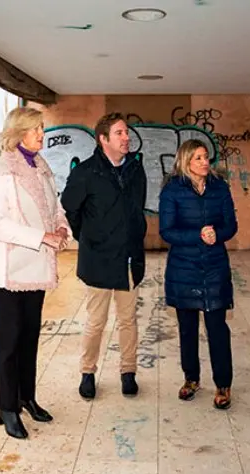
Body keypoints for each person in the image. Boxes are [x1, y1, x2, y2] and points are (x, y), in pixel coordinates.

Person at [0, 107, 70, 439]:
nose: (42, 134)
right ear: (19, 134)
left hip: (35, 266)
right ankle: (7, 409)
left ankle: (26, 397)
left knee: (30, 335)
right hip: (6, 269)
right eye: (36, 129)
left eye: (42, 128)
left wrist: (60, 227)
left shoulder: (42, 168)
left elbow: (55, 207)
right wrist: (40, 237)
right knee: (11, 339)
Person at [60, 112, 147, 400]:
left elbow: (138, 209)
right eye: (120, 133)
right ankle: (87, 372)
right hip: (97, 259)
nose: (126, 138)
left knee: (128, 320)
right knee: (96, 321)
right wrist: (88, 237)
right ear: (103, 139)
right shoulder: (85, 172)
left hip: (129, 260)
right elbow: (70, 208)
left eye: (127, 132)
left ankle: (128, 371)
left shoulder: (136, 170)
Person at [158, 140, 237, 409]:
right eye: (199, 158)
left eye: (206, 157)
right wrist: (198, 236)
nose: (205, 162)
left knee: (217, 328)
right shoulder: (172, 190)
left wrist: (218, 234)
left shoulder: (220, 188)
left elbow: (231, 225)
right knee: (187, 329)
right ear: (186, 161)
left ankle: (223, 385)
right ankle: (191, 379)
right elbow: (166, 231)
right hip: (183, 268)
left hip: (215, 266)